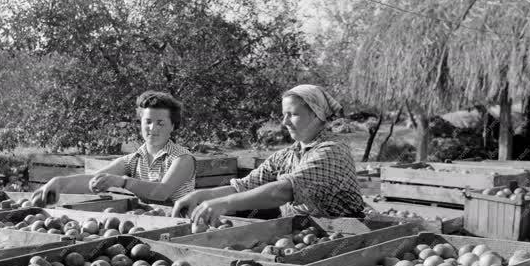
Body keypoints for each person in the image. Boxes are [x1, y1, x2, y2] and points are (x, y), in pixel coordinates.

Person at [172, 84, 365, 224]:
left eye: (293, 114)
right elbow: (244, 186)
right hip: (303, 234)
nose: (285, 122)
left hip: (346, 234)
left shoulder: (332, 150)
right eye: (284, 114)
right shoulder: (287, 155)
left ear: (317, 115)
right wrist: (201, 195)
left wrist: (221, 204)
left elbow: (283, 191)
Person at [32, 91, 195, 205]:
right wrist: (58, 183)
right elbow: (94, 179)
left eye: (161, 123)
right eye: (148, 121)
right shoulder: (134, 159)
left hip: (183, 229)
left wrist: (122, 182)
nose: (152, 128)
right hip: (151, 223)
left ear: (173, 126)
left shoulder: (182, 158)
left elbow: (161, 192)